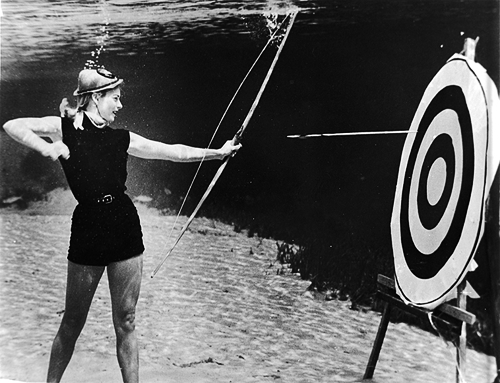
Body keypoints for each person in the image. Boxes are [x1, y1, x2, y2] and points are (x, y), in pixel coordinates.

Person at [2, 67, 241, 383]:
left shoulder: (121, 138)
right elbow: (12, 125)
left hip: (124, 227)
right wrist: (48, 147)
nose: (120, 105)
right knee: (72, 321)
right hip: (88, 228)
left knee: (126, 320)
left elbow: (173, 152)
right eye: (115, 98)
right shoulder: (62, 128)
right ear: (96, 98)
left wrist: (217, 153)